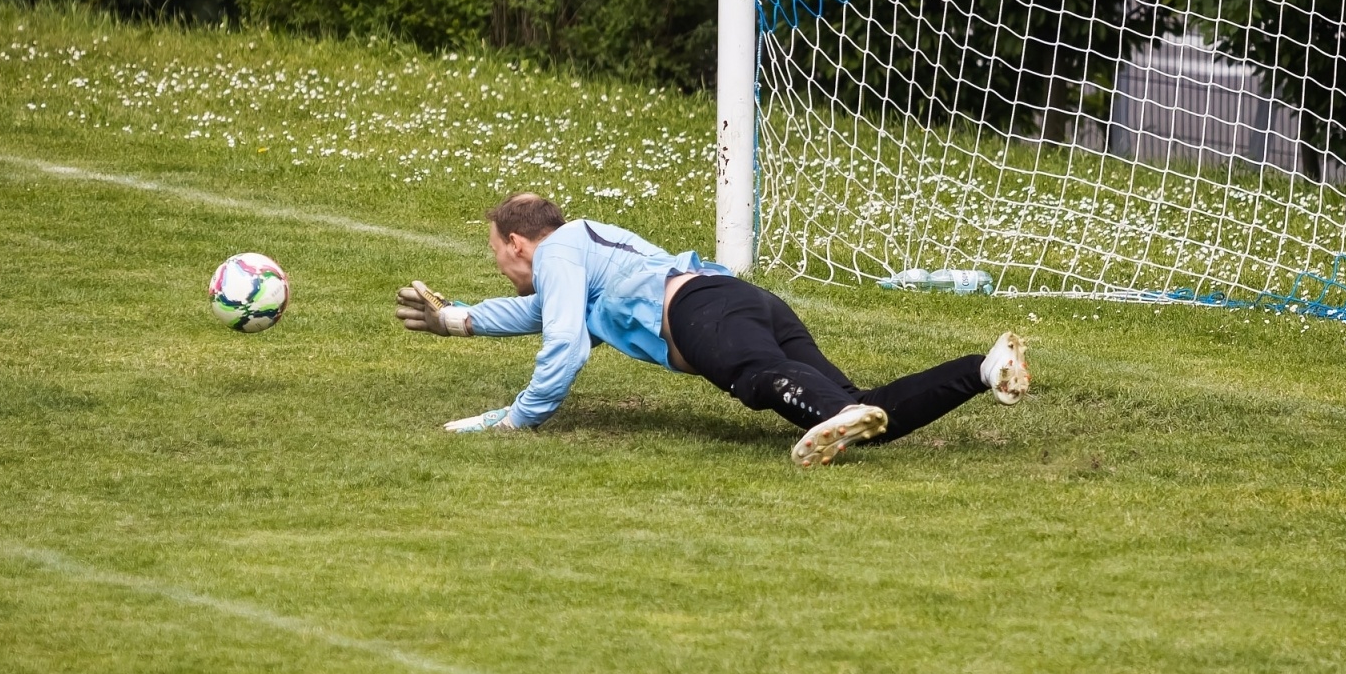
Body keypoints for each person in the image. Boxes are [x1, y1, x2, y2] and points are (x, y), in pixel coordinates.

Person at [395, 193, 1030, 467]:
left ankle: (833, 416)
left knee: (756, 379)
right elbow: (544, 314)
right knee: (865, 413)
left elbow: (564, 343)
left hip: (700, 317)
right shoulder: (582, 245)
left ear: (516, 243)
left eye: (496, 255)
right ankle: (980, 367)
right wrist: (459, 319)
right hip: (741, 300)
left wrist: (517, 419)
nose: (499, 267)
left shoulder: (556, 254)